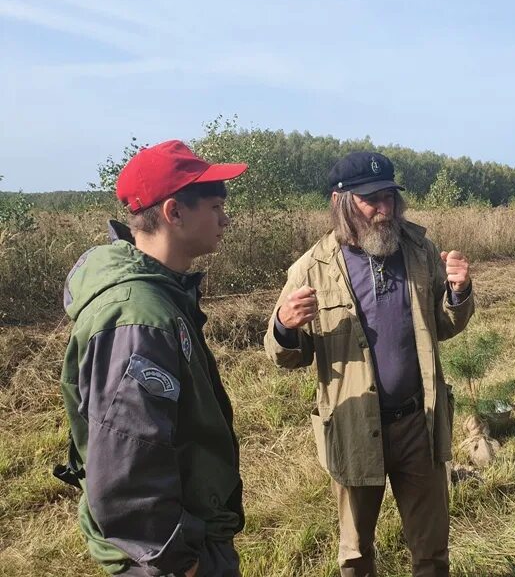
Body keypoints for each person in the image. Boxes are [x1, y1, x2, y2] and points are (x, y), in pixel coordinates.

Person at [264, 151, 474, 576]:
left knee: (432, 552)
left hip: (420, 422)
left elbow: (443, 325)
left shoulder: (418, 250)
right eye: (372, 199)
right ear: (342, 201)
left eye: (390, 198)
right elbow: (286, 353)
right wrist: (285, 325)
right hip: (355, 427)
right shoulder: (312, 269)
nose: (385, 209)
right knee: (357, 554)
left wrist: (458, 293)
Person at [56, 140, 248, 576]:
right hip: (162, 557)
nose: (225, 219)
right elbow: (127, 459)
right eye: (216, 207)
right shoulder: (140, 316)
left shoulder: (160, 294)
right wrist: (181, 561)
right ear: (174, 213)